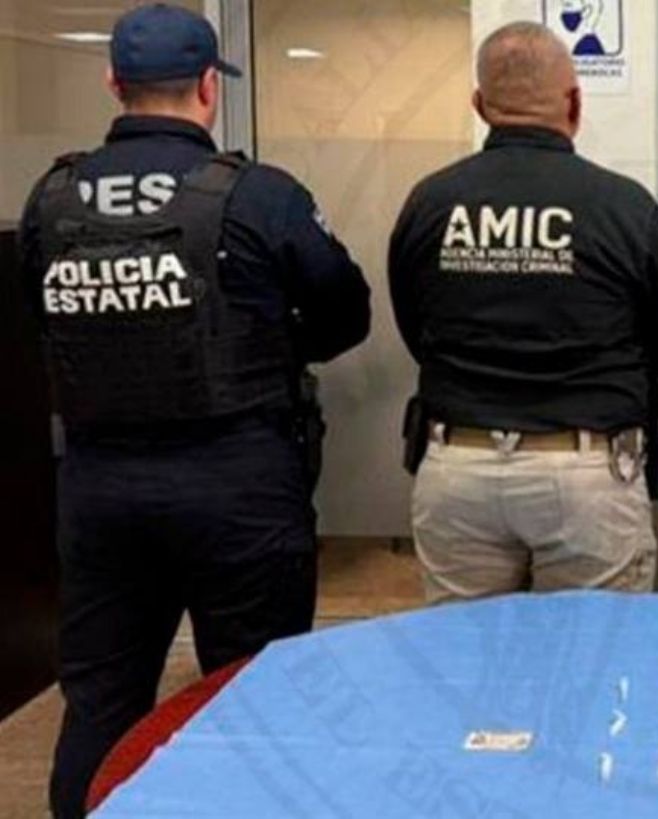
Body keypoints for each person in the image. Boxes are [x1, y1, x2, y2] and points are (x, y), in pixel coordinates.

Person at [15, 5, 371, 816]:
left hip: (101, 486)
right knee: (255, 697)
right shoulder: (258, 196)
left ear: (114, 83)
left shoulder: (53, 200)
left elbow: (43, 320)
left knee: (101, 704)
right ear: (210, 86)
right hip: (237, 480)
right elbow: (344, 316)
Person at [389, 22, 658, 603]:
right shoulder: (623, 205)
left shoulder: (431, 201)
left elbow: (413, 323)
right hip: (585, 472)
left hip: (458, 465)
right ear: (574, 103)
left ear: (480, 105)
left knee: (467, 652)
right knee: (593, 651)